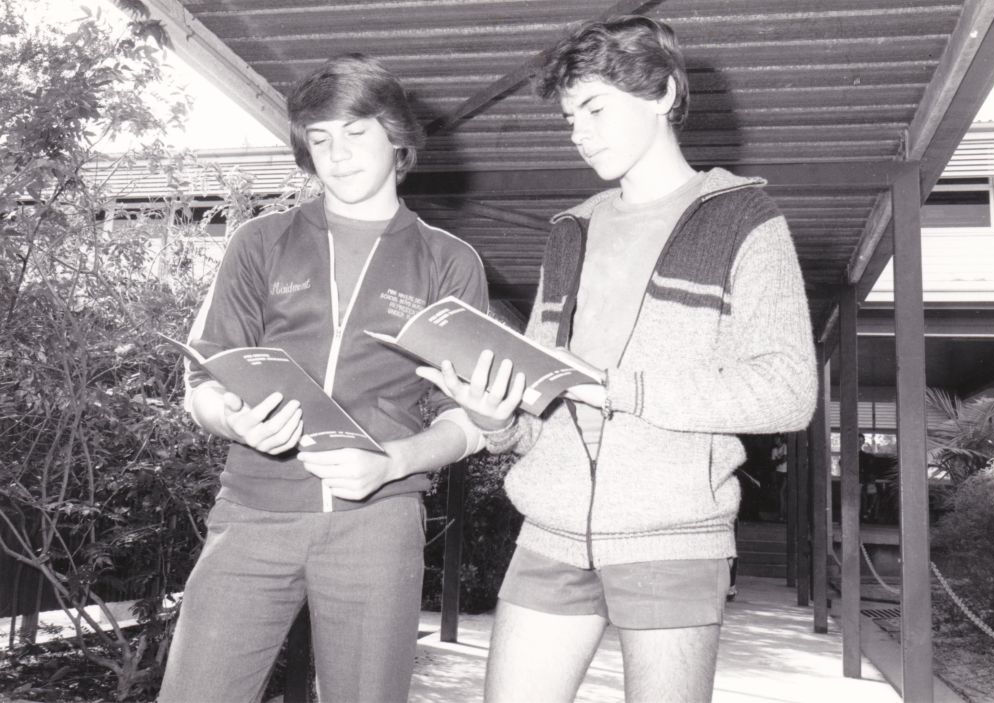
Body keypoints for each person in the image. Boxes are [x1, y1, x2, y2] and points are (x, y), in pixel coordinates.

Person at [418, 15, 817, 702]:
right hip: (550, 530)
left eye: (597, 108)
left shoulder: (744, 219)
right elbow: (543, 398)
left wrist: (620, 387)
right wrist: (501, 421)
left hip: (674, 535)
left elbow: (788, 389)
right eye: (571, 116)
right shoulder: (569, 232)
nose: (580, 132)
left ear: (662, 92)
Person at [158, 53, 488, 703]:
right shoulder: (259, 243)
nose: (336, 153)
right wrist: (231, 417)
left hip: (378, 521)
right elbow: (202, 382)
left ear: (397, 137)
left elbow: (471, 417)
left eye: (355, 131)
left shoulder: (448, 261)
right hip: (251, 513)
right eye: (319, 137)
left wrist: (395, 461)